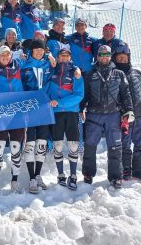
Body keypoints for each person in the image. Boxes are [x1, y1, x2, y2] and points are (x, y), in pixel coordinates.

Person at [80, 45, 134, 189]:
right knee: (90, 145)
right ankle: (88, 173)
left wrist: (128, 111)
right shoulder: (89, 74)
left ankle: (116, 177)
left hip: (113, 115)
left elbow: (126, 95)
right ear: (97, 56)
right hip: (94, 114)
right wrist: (80, 108)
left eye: (107, 55)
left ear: (110, 57)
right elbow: (84, 95)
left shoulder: (119, 74)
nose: (104, 57)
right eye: (101, 54)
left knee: (115, 147)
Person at [113, 46, 141, 183]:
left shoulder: (137, 73)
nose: (123, 59)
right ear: (115, 58)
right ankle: (125, 170)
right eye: (120, 57)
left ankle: (139, 171)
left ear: (129, 58)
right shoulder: (113, 74)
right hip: (123, 116)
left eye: (125, 57)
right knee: (124, 144)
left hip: (140, 116)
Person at [0, 45, 25, 194]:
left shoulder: (19, 66)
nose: (5, 57)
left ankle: (14, 180)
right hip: (0, 113)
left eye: (7, 55)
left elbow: (36, 61)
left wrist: (49, 58)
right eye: (2, 55)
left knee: (16, 147)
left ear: (11, 56)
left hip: (17, 112)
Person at [20, 39, 54, 194]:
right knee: (30, 143)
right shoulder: (24, 66)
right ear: (32, 51)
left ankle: (38, 175)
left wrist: (52, 58)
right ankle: (32, 177)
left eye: (41, 49)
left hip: (44, 108)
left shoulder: (48, 65)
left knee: (42, 142)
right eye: (36, 49)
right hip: (30, 108)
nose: (39, 51)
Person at [47, 48, 84, 190]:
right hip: (55, 113)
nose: (64, 58)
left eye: (66, 56)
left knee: (73, 145)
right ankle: (61, 174)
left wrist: (60, 103)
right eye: (61, 56)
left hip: (71, 112)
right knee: (58, 145)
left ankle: (73, 175)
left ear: (70, 57)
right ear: (58, 57)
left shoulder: (75, 73)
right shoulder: (52, 71)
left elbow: (79, 94)